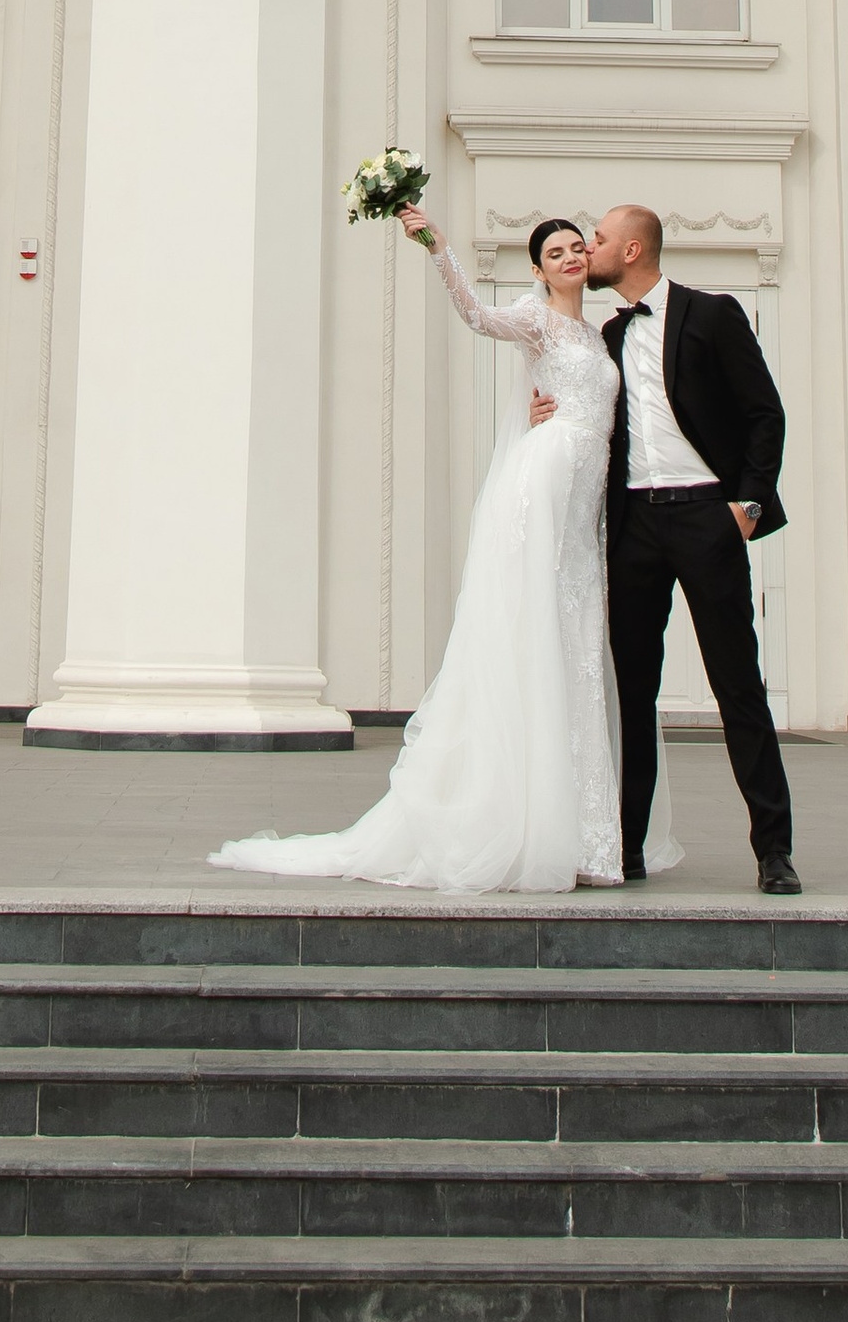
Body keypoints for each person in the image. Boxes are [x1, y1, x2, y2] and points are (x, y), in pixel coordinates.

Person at [209, 211, 677, 894]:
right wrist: (439, 248)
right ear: (538, 270)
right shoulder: (535, 318)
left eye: (579, 247)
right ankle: (526, 827)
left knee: (577, 652)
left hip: (585, 511)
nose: (572, 257)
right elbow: (475, 317)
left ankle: (584, 835)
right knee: (537, 643)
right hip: (543, 489)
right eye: (556, 251)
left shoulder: (599, 333)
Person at [582, 201, 799, 896]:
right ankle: (627, 847)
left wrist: (747, 504)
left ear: (635, 250)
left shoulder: (713, 315)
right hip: (635, 526)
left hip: (707, 515)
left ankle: (773, 850)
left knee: (738, 685)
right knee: (633, 691)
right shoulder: (604, 337)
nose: (591, 249)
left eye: (601, 239)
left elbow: (765, 412)